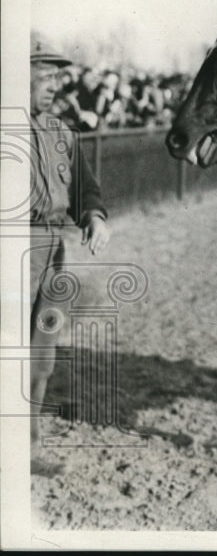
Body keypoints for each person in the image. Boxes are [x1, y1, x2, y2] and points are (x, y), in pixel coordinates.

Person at [29, 43, 112, 457]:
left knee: (42, 350)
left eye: (57, 79)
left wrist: (94, 217)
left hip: (53, 247)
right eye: (45, 77)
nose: (54, 87)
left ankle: (26, 437)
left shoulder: (62, 133)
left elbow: (85, 190)